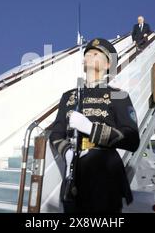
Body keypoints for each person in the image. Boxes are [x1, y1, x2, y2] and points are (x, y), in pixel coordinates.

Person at [49, 38, 140, 213]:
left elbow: (132, 138)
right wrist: (67, 151)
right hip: (74, 175)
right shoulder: (68, 96)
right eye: (87, 53)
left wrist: (91, 129)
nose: (90, 55)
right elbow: (56, 134)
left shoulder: (118, 95)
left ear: (107, 65)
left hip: (104, 175)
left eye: (96, 54)